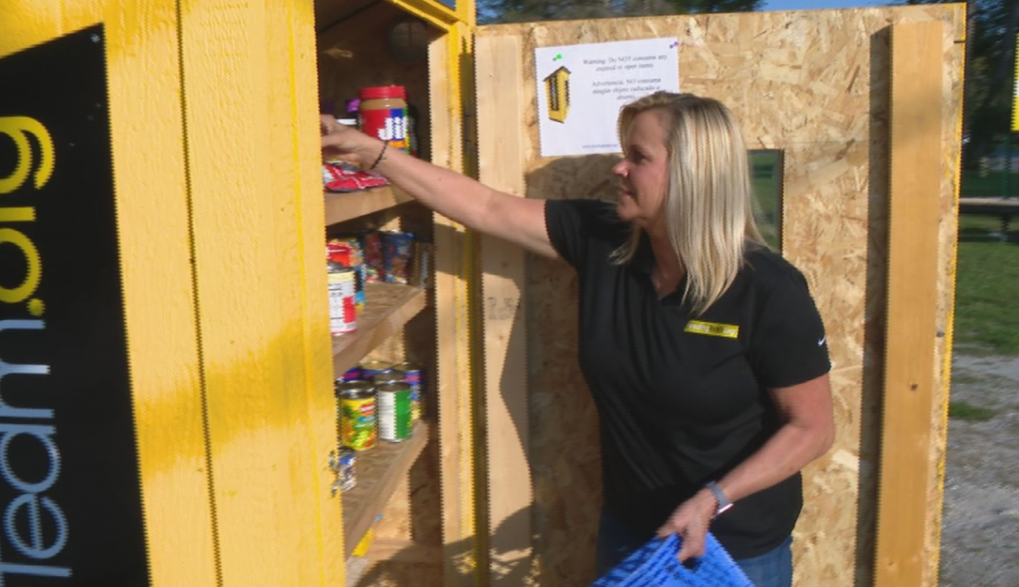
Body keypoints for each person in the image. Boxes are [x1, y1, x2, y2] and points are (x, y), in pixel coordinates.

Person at [320, 91, 835, 587]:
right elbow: (486, 208)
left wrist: (713, 498)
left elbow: (812, 428)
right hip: (634, 531)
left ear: (692, 173)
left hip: (733, 546)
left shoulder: (766, 290)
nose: (619, 168)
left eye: (638, 156)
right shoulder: (606, 243)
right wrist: (370, 151)